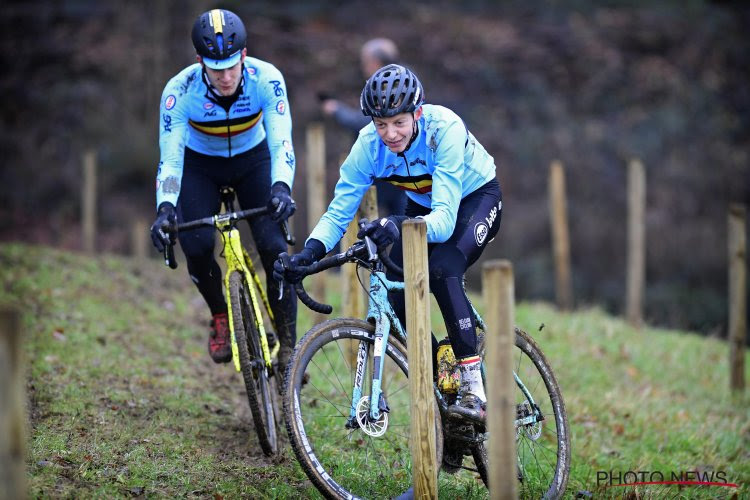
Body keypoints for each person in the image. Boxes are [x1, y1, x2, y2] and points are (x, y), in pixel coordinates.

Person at [275, 64, 502, 425]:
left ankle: (475, 390)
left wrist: (395, 224)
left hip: (474, 200)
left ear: (417, 113)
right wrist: (308, 253)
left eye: (399, 122)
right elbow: (339, 211)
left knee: (443, 268)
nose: (390, 134)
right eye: (381, 125)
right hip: (422, 202)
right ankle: (446, 384)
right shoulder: (367, 145)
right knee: (396, 299)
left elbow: (443, 222)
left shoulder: (444, 129)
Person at [150, 8, 298, 371]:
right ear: (200, 61)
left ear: (244, 55)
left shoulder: (268, 80)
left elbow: (282, 145)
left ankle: (291, 347)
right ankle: (219, 312)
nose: (227, 76)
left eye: (232, 66)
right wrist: (165, 208)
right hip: (200, 166)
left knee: (275, 249)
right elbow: (170, 162)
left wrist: (281, 187)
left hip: (255, 161)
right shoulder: (179, 91)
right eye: (216, 69)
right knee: (197, 244)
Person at [319, 38, 406, 217]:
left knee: (359, 218)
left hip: (386, 167)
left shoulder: (387, 85)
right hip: (401, 167)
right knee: (402, 224)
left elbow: (364, 123)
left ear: (374, 62)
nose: (364, 67)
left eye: (365, 62)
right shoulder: (403, 79)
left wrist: (338, 111)